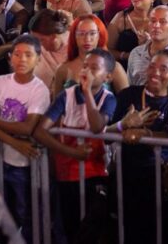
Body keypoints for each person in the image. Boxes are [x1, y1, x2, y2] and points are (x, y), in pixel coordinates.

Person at [35, 48, 117, 244]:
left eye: (94, 68)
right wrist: (71, 152)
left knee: (93, 228)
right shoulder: (66, 96)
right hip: (67, 173)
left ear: (108, 76)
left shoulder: (109, 99)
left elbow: (97, 126)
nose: (87, 72)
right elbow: (40, 131)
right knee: (71, 228)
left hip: (96, 173)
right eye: (85, 66)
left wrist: (88, 92)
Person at [106, 50, 168, 243]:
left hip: (158, 179)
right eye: (152, 66)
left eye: (163, 68)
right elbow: (106, 135)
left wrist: (144, 134)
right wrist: (123, 124)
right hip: (124, 175)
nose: (155, 72)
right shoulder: (128, 95)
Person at [0, 35, 51, 243]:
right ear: (10, 57)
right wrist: (15, 142)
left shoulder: (40, 90)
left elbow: (27, 127)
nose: (22, 60)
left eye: (28, 55)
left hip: (23, 164)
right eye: (17, 54)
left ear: (38, 59)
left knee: (23, 211)